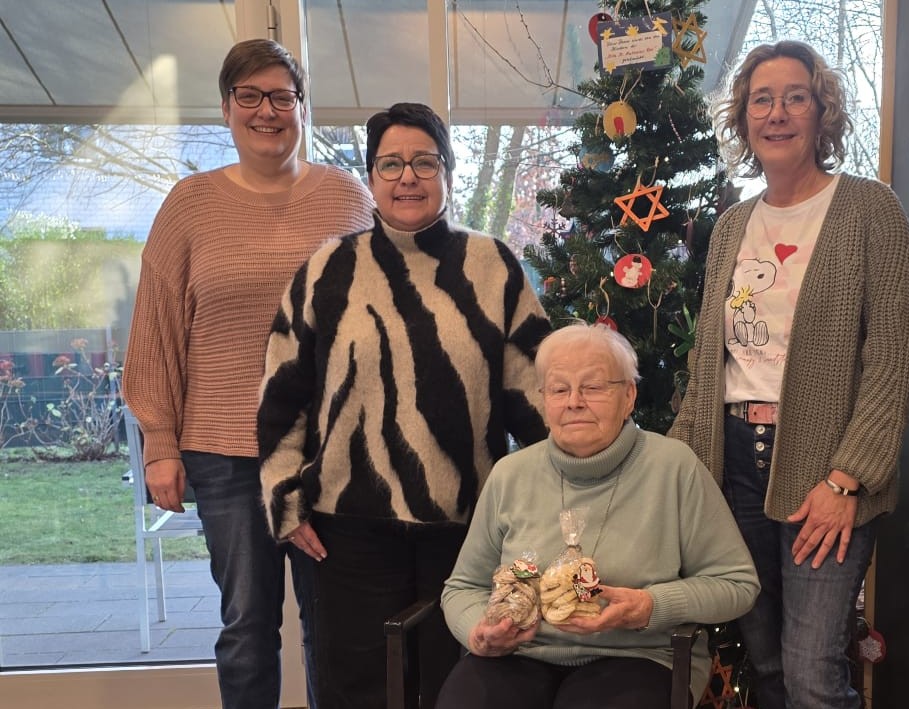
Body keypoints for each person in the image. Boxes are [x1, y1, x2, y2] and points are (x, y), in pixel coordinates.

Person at [257, 101, 551, 709]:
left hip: (467, 528)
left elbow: (535, 391)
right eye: (390, 164)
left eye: (424, 162)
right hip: (348, 527)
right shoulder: (328, 269)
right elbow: (283, 391)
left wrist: (557, 496)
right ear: (371, 176)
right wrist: (285, 497)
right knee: (357, 689)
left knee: (460, 687)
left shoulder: (493, 266)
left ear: (447, 172)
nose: (407, 177)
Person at [667, 40, 909, 709]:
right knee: (768, 665)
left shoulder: (870, 209)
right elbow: (708, 362)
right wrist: (681, 465)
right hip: (733, 467)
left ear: (822, 111)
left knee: (813, 674)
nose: (776, 113)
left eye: (795, 97)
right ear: (743, 118)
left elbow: (895, 359)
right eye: (761, 100)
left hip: (825, 471)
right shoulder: (733, 226)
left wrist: (848, 478)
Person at [122, 38, 374, 708]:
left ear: (302, 107)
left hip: (328, 453)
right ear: (227, 108)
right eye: (250, 96)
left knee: (337, 628)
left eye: (282, 97)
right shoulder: (190, 204)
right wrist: (160, 443)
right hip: (226, 454)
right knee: (247, 628)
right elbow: (155, 331)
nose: (267, 111)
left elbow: (382, 317)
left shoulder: (347, 198)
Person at [439, 322, 760, 709]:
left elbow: (737, 584)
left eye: (592, 387)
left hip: (639, 656)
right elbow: (462, 587)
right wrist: (478, 632)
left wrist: (650, 606)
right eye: (559, 389)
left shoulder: (673, 468)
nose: (574, 402)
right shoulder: (511, 475)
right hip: (522, 653)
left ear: (629, 396)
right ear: (543, 401)